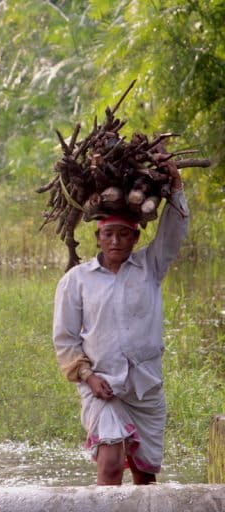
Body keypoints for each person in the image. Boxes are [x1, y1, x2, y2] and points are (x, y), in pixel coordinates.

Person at [52, 162, 188, 485]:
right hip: (103, 388)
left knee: (145, 476)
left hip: (145, 387)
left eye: (123, 234)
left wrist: (177, 187)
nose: (116, 241)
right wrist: (88, 376)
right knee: (110, 464)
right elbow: (66, 340)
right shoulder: (77, 281)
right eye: (108, 234)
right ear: (97, 236)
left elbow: (173, 234)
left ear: (135, 236)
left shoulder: (149, 267)